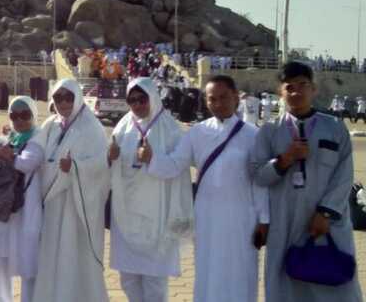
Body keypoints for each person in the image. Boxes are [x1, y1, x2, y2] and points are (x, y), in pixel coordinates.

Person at [141, 75, 269, 302]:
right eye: (212, 99)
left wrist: (264, 219)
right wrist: (151, 159)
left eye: (224, 97)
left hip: (242, 217)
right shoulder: (197, 132)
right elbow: (174, 164)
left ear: (236, 97)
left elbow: (260, 181)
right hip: (207, 215)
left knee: (241, 271)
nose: (218, 103)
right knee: (208, 271)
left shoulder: (253, 135)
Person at [253, 62, 363, 301]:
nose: (296, 92)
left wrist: (325, 212)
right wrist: (285, 160)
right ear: (281, 92)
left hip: (327, 221)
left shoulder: (334, 128)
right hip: (285, 221)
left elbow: (344, 174)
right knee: (286, 285)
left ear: (314, 88)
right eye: (289, 87)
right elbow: (259, 175)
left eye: (302, 85)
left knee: (335, 285)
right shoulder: (269, 131)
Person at [107, 77, 193, 302]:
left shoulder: (170, 128)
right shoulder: (123, 126)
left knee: (154, 282)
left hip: (157, 212)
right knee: (128, 279)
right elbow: (112, 165)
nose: (137, 105)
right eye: (132, 100)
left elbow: (178, 166)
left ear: (152, 97)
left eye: (142, 99)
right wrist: (111, 158)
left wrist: (153, 160)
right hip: (126, 214)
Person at [31, 78, 111, 302]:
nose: (63, 103)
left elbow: (102, 164)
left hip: (77, 205)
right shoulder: (51, 124)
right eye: (58, 98)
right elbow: (35, 149)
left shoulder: (91, 127)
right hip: (53, 202)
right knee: (52, 254)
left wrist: (75, 167)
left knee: (74, 255)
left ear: (77, 97)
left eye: (68, 97)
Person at [0, 96, 43, 302]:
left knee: (28, 264)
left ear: (34, 115)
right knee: (0, 262)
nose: (19, 120)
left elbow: (28, 163)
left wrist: (8, 155)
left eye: (25, 115)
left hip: (25, 211)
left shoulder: (39, 139)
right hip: (2, 210)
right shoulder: (6, 139)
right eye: (14, 115)